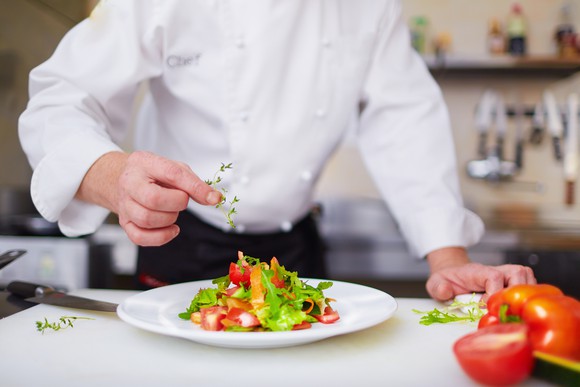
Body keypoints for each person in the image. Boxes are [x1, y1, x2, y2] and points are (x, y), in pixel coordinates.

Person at [18, 0, 535, 300]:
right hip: (182, 241)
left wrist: (447, 256)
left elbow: (404, 119)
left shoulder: (369, 6)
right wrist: (108, 174)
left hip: (296, 250)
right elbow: (62, 97)